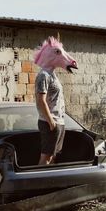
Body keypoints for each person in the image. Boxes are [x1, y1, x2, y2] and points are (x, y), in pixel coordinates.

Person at [33, 35, 77, 165]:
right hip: (50, 123)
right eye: (57, 52)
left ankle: (50, 183)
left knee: (53, 156)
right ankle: (40, 183)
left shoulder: (52, 75)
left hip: (59, 121)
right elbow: (40, 100)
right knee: (46, 157)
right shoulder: (43, 75)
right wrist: (51, 121)